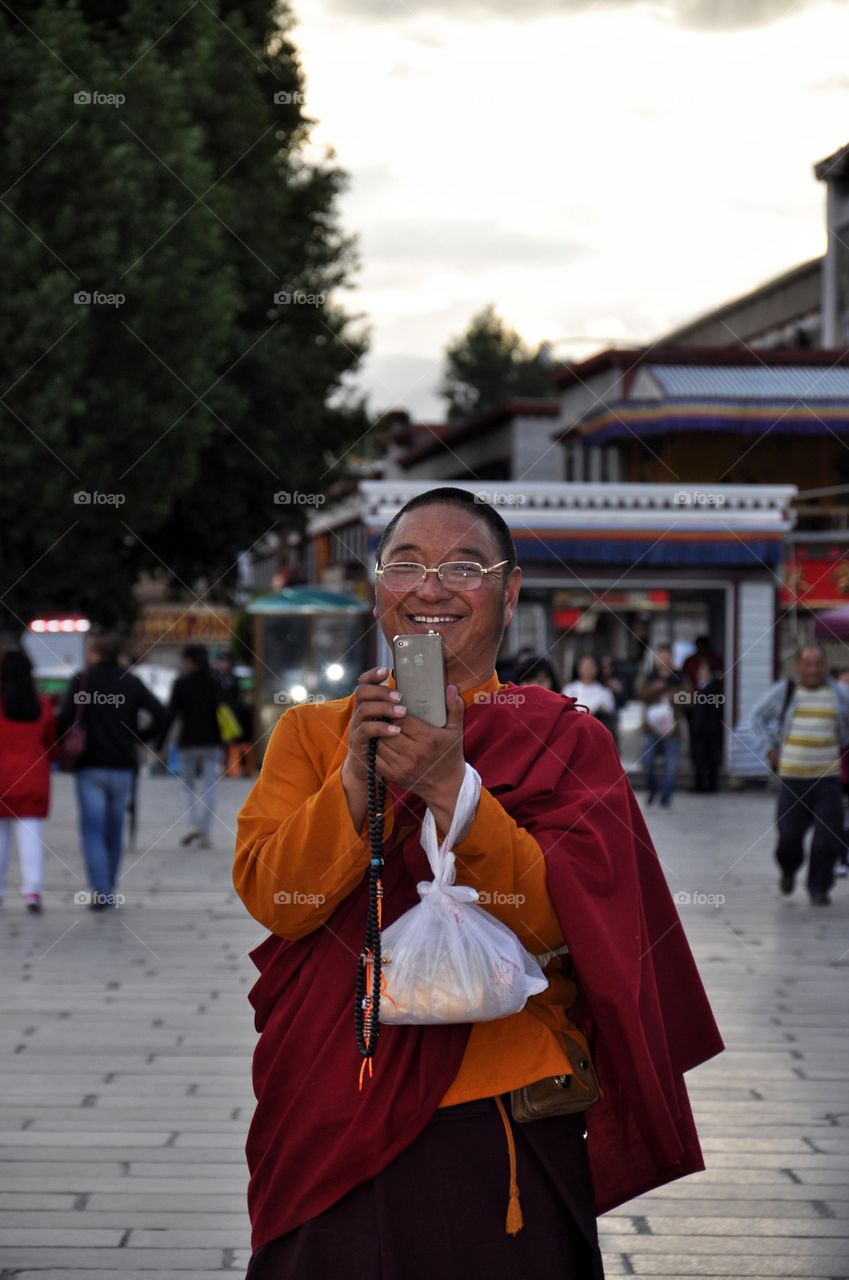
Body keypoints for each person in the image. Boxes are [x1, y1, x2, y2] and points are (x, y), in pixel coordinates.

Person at [233, 486, 723, 1280]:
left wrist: (454, 790)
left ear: (510, 590)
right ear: (379, 588)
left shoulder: (565, 737)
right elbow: (278, 902)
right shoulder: (312, 732)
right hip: (328, 1098)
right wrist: (359, 783)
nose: (431, 588)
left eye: (464, 567)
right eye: (406, 565)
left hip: (499, 1109)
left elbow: (557, 925)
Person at [57, 634, 168, 910]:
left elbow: (63, 720)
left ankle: (101, 889)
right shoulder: (131, 682)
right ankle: (111, 886)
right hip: (122, 766)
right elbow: (162, 715)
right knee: (114, 828)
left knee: (93, 830)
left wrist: (67, 746)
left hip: (90, 767)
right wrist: (140, 738)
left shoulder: (82, 681)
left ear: (94, 653)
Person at [750, 645, 849, 905]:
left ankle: (819, 888)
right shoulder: (786, 691)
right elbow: (756, 717)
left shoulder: (839, 694)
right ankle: (789, 869)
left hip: (827, 779)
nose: (813, 670)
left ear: (826, 666)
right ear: (798, 667)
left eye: (818, 664)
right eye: (808, 664)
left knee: (827, 839)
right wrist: (770, 746)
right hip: (792, 779)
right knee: (789, 837)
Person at [0, 649, 56, 913]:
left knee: (0, 839)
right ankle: (32, 891)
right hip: (32, 778)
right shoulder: (41, 704)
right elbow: (50, 742)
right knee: (30, 837)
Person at [161, 645, 223, 848]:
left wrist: (160, 740)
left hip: (188, 741)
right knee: (209, 788)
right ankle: (205, 834)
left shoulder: (181, 683)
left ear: (190, 660)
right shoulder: (215, 683)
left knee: (187, 787)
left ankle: (192, 825)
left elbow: (170, 714)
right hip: (212, 741)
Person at [638, 644, 684, 811]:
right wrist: (655, 688)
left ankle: (665, 798)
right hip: (651, 729)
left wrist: (675, 697)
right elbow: (640, 694)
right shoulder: (650, 677)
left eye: (667, 657)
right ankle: (652, 790)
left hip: (672, 729)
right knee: (648, 762)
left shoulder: (680, 677)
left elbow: (690, 698)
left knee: (671, 766)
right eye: (661, 657)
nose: (664, 660)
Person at [216, 650, 255, 778]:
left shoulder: (237, 679)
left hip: (235, 715)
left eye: (224, 661)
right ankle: (224, 765)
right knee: (224, 742)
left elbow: (244, 696)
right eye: (220, 661)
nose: (222, 664)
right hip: (220, 715)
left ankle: (239, 767)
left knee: (236, 742)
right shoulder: (216, 678)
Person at [687, 660, 724, 793]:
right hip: (702, 730)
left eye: (702, 670)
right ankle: (701, 784)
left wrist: (706, 728)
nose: (699, 673)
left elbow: (711, 712)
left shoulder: (712, 688)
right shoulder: (703, 687)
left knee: (707, 759)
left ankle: (707, 785)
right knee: (701, 758)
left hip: (707, 731)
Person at [563, 655, 617, 737]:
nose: (588, 670)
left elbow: (610, 712)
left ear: (597, 669)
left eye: (591, 666)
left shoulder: (605, 691)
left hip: (596, 731)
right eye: (585, 666)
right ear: (578, 668)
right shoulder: (569, 689)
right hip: (574, 730)